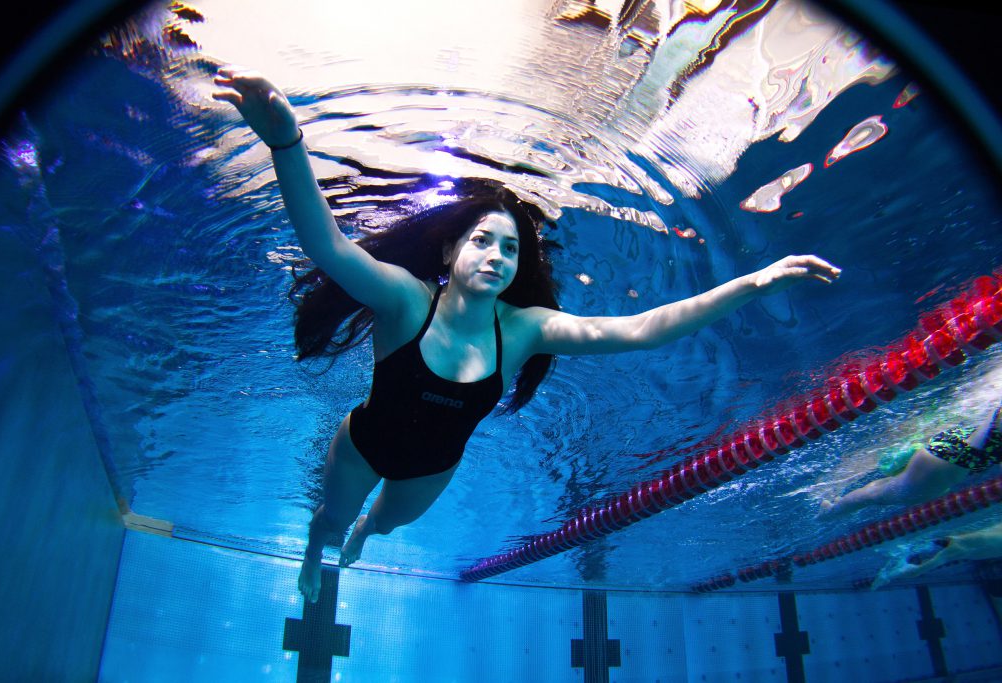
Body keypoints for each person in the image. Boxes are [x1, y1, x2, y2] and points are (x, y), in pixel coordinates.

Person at [211, 66, 841, 602]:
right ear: (453, 247)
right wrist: (286, 142)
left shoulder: (525, 330)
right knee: (327, 522)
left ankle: (360, 539)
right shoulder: (406, 302)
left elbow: (643, 329)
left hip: (430, 471)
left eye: (509, 249)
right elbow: (328, 245)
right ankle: (314, 555)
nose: (495, 256)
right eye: (482, 240)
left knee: (380, 528)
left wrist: (754, 285)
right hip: (363, 444)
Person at [819, 400, 1002, 518]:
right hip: (946, 463)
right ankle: (829, 513)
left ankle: (837, 505)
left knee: (879, 487)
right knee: (874, 495)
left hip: (952, 443)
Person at [871, 520, 1002, 588]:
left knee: (916, 563)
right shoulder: (960, 547)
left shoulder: (959, 545)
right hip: (961, 543)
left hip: (960, 541)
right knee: (916, 566)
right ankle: (886, 575)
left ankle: (887, 574)